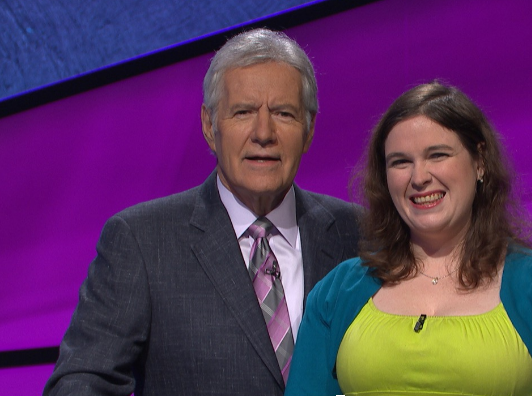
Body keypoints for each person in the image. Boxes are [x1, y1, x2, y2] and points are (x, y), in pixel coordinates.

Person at [43, 28, 360, 396]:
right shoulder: (142, 240)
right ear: (210, 126)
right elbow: (81, 381)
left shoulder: (359, 232)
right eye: (243, 112)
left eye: (283, 113)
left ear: (309, 129)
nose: (263, 132)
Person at [285, 81, 532, 396]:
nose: (420, 177)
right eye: (401, 162)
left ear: (480, 161)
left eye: (438, 155)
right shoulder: (337, 293)